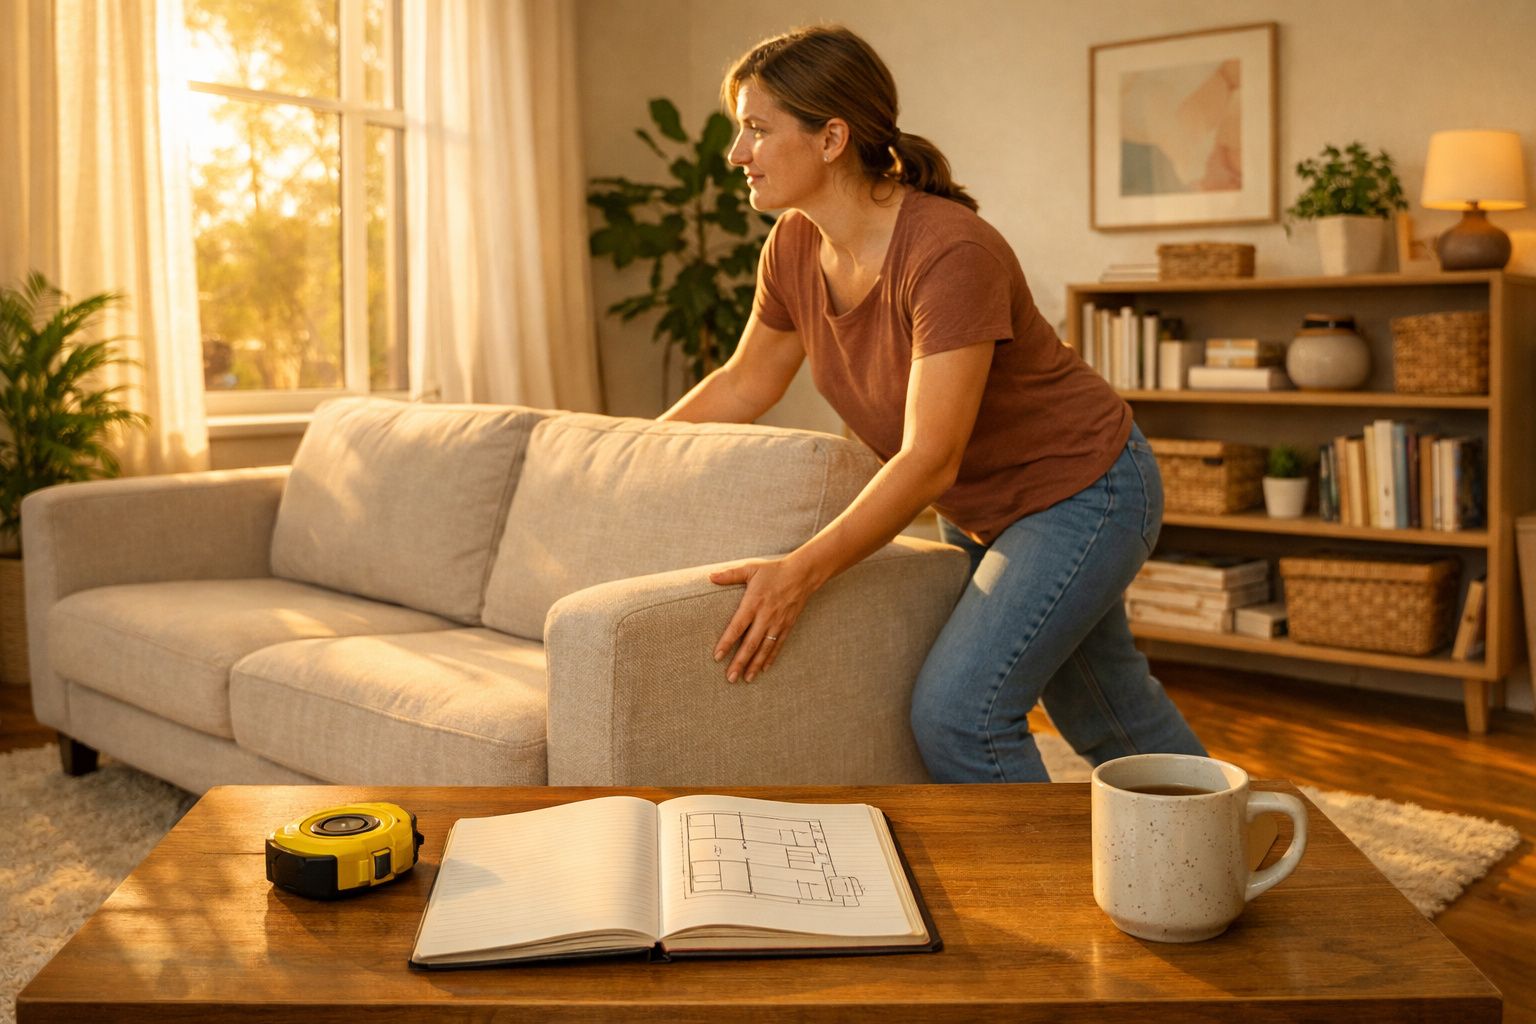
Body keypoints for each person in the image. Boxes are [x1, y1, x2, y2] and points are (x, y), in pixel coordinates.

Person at [659, 24, 1205, 782]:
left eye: (756, 128)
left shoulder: (949, 250)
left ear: (831, 139)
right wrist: (619, 452)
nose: (736, 153)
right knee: (1110, 711)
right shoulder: (791, 246)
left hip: (1086, 489)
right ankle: (1222, 859)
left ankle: (1031, 898)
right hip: (984, 503)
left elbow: (928, 457)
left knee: (962, 715)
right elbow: (745, 381)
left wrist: (799, 572)